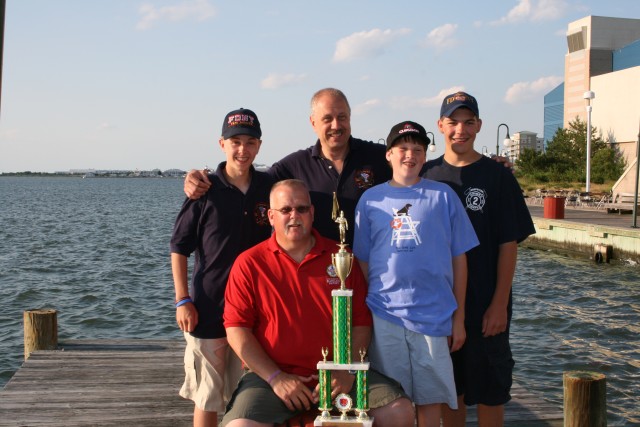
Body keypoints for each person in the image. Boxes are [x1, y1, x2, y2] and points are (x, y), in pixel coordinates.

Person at [221, 179, 415, 427]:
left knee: (399, 411)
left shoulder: (342, 258)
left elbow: (360, 324)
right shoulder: (249, 263)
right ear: (270, 216)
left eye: (302, 209)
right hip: (272, 376)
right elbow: (237, 330)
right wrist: (276, 378)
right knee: (240, 426)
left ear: (312, 213)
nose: (294, 216)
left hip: (338, 374)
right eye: (285, 210)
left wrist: (346, 370)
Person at [353, 121, 479, 427]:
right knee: (393, 399)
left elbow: (459, 259)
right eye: (403, 148)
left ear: (425, 156)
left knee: (429, 399)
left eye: (418, 150)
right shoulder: (370, 200)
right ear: (389, 154)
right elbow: (363, 261)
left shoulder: (443, 195)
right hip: (385, 315)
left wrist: (458, 318)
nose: (410, 155)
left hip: (435, 317)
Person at [421, 92, 535, 427]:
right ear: (440, 125)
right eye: (453, 122)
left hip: (487, 305)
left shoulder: (498, 176)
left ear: (480, 126)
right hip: (441, 306)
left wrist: (499, 304)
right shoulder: (425, 178)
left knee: (490, 389)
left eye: (468, 122)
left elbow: (508, 243)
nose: (460, 129)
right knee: (449, 388)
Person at [170, 108, 274, 427]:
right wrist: (182, 300)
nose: (242, 149)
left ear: (259, 145)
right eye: (235, 142)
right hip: (208, 306)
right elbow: (179, 247)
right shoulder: (204, 190)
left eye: (250, 142)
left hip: (253, 310)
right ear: (222, 144)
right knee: (208, 394)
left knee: (242, 393)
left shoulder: (269, 187)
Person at [183, 88, 392, 243]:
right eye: (327, 119)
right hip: (315, 278)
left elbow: (418, 172)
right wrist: (199, 176)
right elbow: (247, 178)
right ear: (313, 123)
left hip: (372, 271)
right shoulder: (293, 166)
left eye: (342, 117)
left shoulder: (380, 157)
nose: (336, 125)